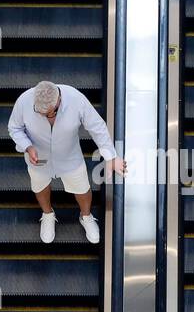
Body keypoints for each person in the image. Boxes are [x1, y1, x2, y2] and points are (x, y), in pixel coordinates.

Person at [7, 80, 125, 244]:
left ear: (59, 102)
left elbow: (97, 127)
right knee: (39, 186)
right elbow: (14, 128)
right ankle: (48, 215)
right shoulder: (24, 101)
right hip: (38, 157)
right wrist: (27, 146)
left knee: (82, 188)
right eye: (38, 112)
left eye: (48, 113)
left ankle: (86, 216)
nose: (42, 115)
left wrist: (111, 157)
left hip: (70, 156)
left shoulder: (76, 99)